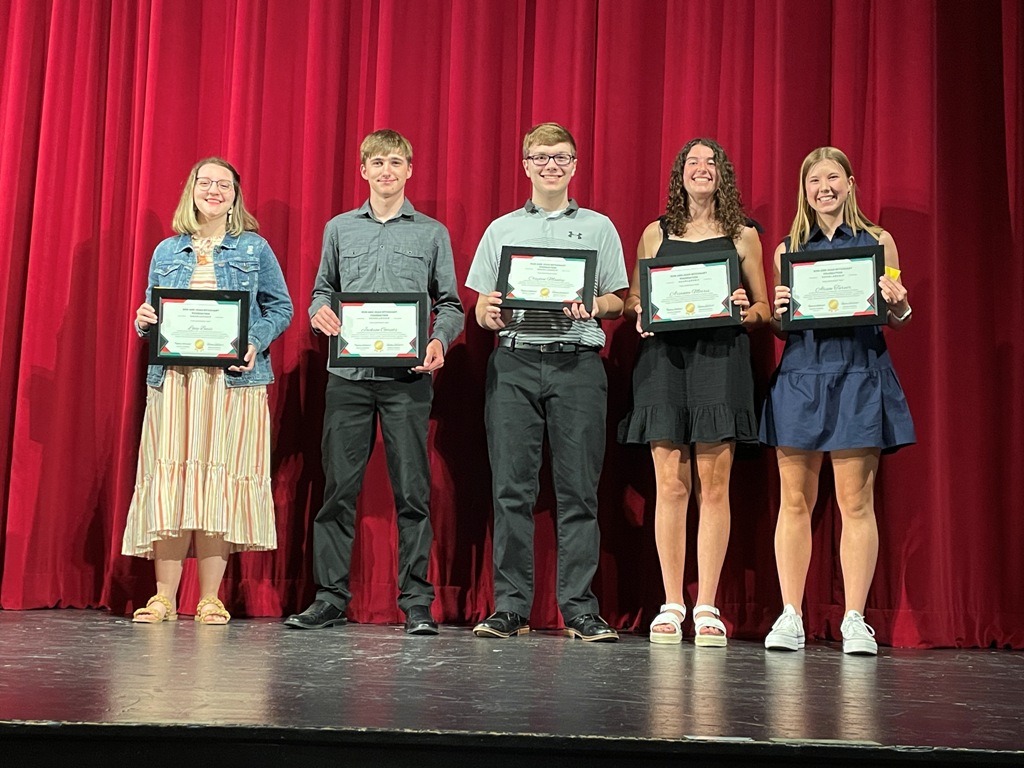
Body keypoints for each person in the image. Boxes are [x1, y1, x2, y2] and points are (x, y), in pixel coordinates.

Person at [284, 129, 463, 635]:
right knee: (338, 491)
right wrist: (319, 311)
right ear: (363, 170)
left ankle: (417, 603)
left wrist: (439, 341)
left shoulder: (432, 233)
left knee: (413, 493)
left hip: (408, 380)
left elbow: (450, 304)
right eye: (378, 162)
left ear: (410, 170)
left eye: (396, 162)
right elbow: (322, 290)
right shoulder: (339, 229)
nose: (387, 171)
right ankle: (330, 598)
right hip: (349, 378)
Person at [466, 122, 628, 642]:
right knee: (511, 490)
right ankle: (511, 608)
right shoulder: (501, 229)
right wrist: (489, 314)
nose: (551, 165)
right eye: (541, 157)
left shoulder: (599, 227)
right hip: (514, 362)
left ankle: (579, 609)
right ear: (526, 165)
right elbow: (482, 307)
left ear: (575, 165)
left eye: (560, 157)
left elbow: (620, 300)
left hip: (577, 365)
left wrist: (595, 304)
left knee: (578, 490)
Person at [125, 157, 293, 625]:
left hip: (232, 384)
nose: (214, 190)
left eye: (224, 185)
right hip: (175, 384)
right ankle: (163, 597)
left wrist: (254, 342)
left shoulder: (254, 247)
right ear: (192, 190)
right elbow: (153, 314)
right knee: (172, 483)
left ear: (235, 196)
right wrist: (143, 319)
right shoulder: (166, 250)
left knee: (219, 483)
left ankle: (210, 598)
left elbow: (281, 308)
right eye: (206, 182)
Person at [760, 146, 915, 655]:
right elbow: (783, 326)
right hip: (802, 377)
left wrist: (900, 304)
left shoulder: (879, 242)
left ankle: (854, 618)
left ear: (849, 183)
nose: (823, 188)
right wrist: (780, 310)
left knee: (856, 502)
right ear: (804, 190)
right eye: (814, 180)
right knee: (794, 501)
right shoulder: (787, 249)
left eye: (832, 178)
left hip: (859, 375)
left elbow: (898, 317)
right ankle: (790, 615)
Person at [618, 138, 769, 647]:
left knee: (714, 485)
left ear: (722, 173)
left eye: (710, 162)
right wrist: (640, 310)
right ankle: (671, 603)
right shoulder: (654, 233)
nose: (701, 169)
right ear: (679, 174)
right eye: (692, 162)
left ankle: (706, 605)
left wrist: (743, 310)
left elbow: (763, 311)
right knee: (670, 485)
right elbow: (634, 298)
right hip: (663, 362)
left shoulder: (744, 234)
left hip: (721, 362)